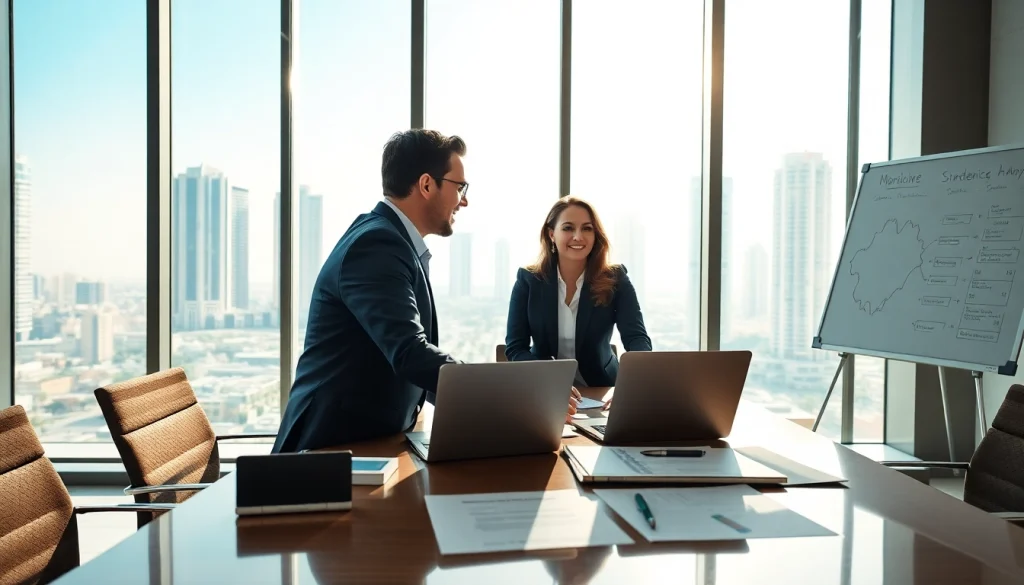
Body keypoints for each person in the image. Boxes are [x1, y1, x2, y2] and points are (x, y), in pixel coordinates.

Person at [271, 129, 469, 453]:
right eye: (459, 187)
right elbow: (409, 352)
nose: (464, 199)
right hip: (324, 457)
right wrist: (509, 397)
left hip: (367, 442)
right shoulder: (376, 245)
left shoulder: (392, 241)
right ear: (427, 184)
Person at [504, 196, 652, 392]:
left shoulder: (616, 278)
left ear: (595, 235)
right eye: (567, 228)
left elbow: (637, 339)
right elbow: (516, 347)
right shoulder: (528, 280)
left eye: (587, 228)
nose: (578, 236)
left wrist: (631, 386)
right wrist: (548, 383)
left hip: (604, 387)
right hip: (544, 389)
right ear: (551, 234)